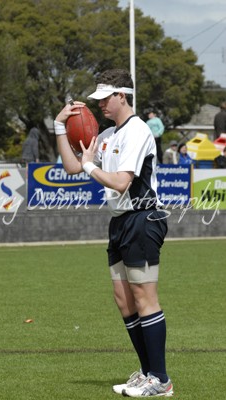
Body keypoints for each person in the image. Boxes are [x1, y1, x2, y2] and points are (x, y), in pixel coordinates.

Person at [54, 69, 173, 397]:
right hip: (120, 222)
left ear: (123, 95)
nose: (101, 104)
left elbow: (121, 181)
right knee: (125, 300)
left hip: (143, 220)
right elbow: (72, 166)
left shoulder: (137, 131)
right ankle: (148, 373)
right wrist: (59, 127)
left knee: (145, 298)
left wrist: (92, 166)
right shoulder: (107, 135)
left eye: (106, 98)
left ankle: (160, 379)